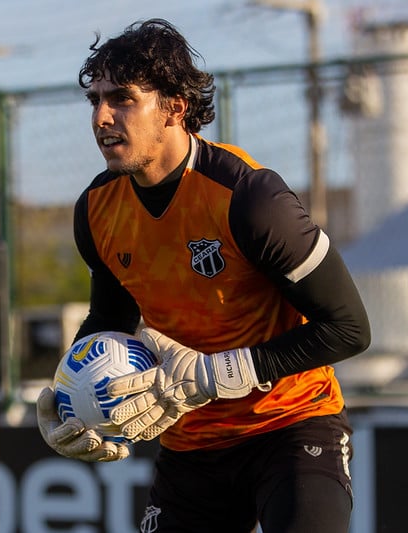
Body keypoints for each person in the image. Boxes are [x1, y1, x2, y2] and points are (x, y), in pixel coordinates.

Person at [36, 18, 371, 533]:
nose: (102, 117)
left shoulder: (251, 199)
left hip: (291, 424)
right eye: (95, 100)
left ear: (175, 107)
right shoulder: (96, 209)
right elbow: (111, 317)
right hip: (191, 444)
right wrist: (68, 398)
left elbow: (348, 327)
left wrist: (220, 374)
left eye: (122, 98)